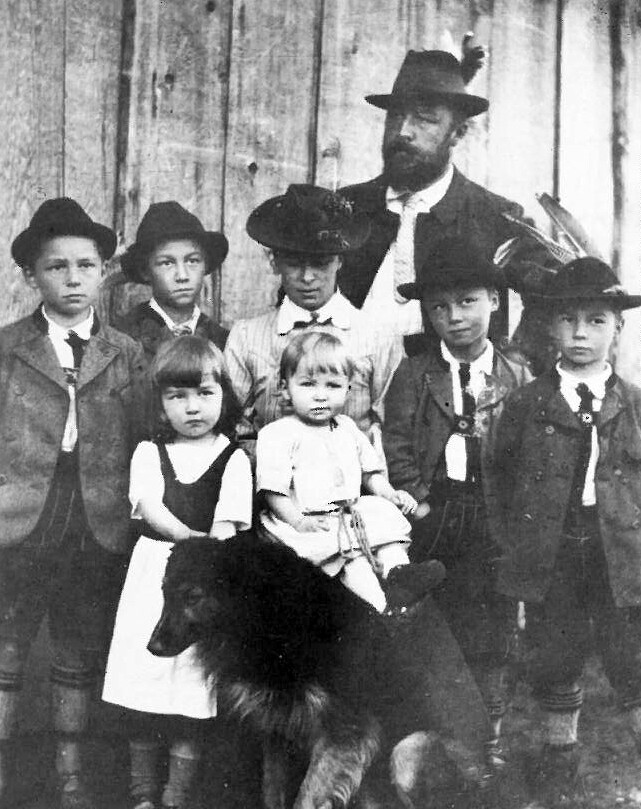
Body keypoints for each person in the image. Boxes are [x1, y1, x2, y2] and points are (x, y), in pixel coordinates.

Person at [0, 198, 147, 809]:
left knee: (78, 648)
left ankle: (71, 780)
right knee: (6, 645)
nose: (72, 279)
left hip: (96, 522)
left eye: (86, 266)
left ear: (103, 272)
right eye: (56, 267)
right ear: (32, 276)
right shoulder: (7, 348)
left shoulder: (124, 352)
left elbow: (142, 437)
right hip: (21, 520)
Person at [493, 258, 641, 804]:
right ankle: (560, 760)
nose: (581, 333)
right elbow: (500, 480)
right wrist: (519, 549)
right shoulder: (527, 403)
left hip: (620, 550)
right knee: (557, 652)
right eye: (569, 320)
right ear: (550, 327)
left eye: (597, 320)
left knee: (632, 657)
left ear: (618, 328)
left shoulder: (636, 405)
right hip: (552, 547)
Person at [383, 237, 531, 769]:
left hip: (493, 518)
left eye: (467, 302)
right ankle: (432, 747)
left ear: (493, 300)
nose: (454, 317)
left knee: (491, 634)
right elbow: (396, 444)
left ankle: (485, 747)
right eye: (439, 307)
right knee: (435, 627)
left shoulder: (516, 375)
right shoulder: (416, 372)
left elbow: (528, 452)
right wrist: (419, 504)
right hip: (437, 516)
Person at [102, 336, 252, 809]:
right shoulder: (150, 451)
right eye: (177, 396)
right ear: (160, 403)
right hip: (154, 576)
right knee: (145, 685)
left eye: (205, 394)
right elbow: (148, 505)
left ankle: (177, 795)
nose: (193, 407)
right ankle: (143, 792)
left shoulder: (234, 459)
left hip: (201, 588)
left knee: (190, 689)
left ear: (224, 396)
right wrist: (187, 538)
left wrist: (203, 554)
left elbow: (227, 527)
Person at [338, 48, 523, 348]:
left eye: (424, 119)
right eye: (396, 116)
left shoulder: (495, 216)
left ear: (458, 133)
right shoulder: (346, 207)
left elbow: (559, 294)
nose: (403, 131)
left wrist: (519, 364)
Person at [256, 331, 443, 614]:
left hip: (351, 513)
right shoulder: (278, 434)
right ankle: (382, 610)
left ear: (347, 389)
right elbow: (273, 490)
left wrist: (389, 493)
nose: (320, 395)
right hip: (310, 520)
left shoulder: (347, 427)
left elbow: (370, 473)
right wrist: (298, 522)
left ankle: (399, 577)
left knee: (388, 537)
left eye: (333, 385)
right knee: (352, 562)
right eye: (307, 384)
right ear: (285, 388)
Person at [224, 183, 403, 462]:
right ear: (274, 262)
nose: (307, 277)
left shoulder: (376, 335)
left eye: (320, 263)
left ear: (339, 261)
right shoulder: (246, 337)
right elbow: (237, 428)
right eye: (295, 263)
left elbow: (388, 427)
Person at [115, 202, 229, 357]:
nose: (182, 276)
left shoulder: (224, 341)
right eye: (167, 263)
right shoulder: (122, 337)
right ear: (145, 271)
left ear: (205, 265)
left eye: (192, 261)